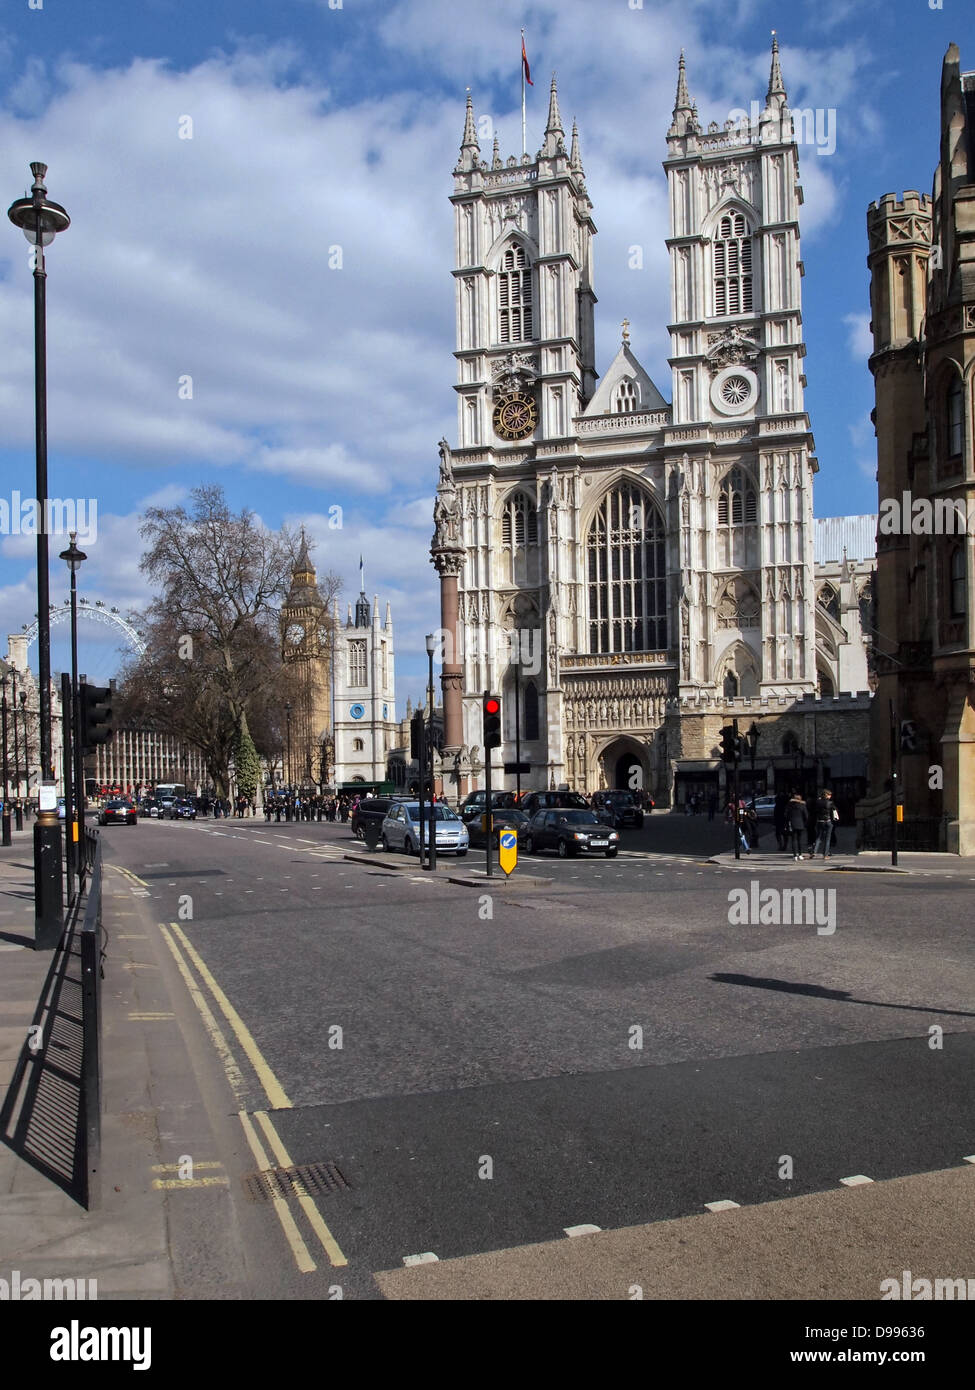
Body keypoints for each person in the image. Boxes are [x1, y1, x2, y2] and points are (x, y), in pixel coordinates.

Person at [814, 789, 837, 859]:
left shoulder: (818, 802)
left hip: (819, 821)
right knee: (827, 839)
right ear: (827, 795)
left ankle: (814, 852)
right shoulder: (830, 803)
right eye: (829, 795)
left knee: (818, 837)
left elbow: (815, 810)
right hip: (828, 821)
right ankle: (825, 854)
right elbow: (834, 809)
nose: (830, 796)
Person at [787, 789, 807, 861]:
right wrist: (805, 823)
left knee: (793, 840)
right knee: (799, 840)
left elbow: (786, 815)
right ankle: (800, 854)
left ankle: (795, 855)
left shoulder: (790, 806)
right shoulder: (802, 806)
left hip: (792, 823)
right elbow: (806, 816)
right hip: (800, 824)